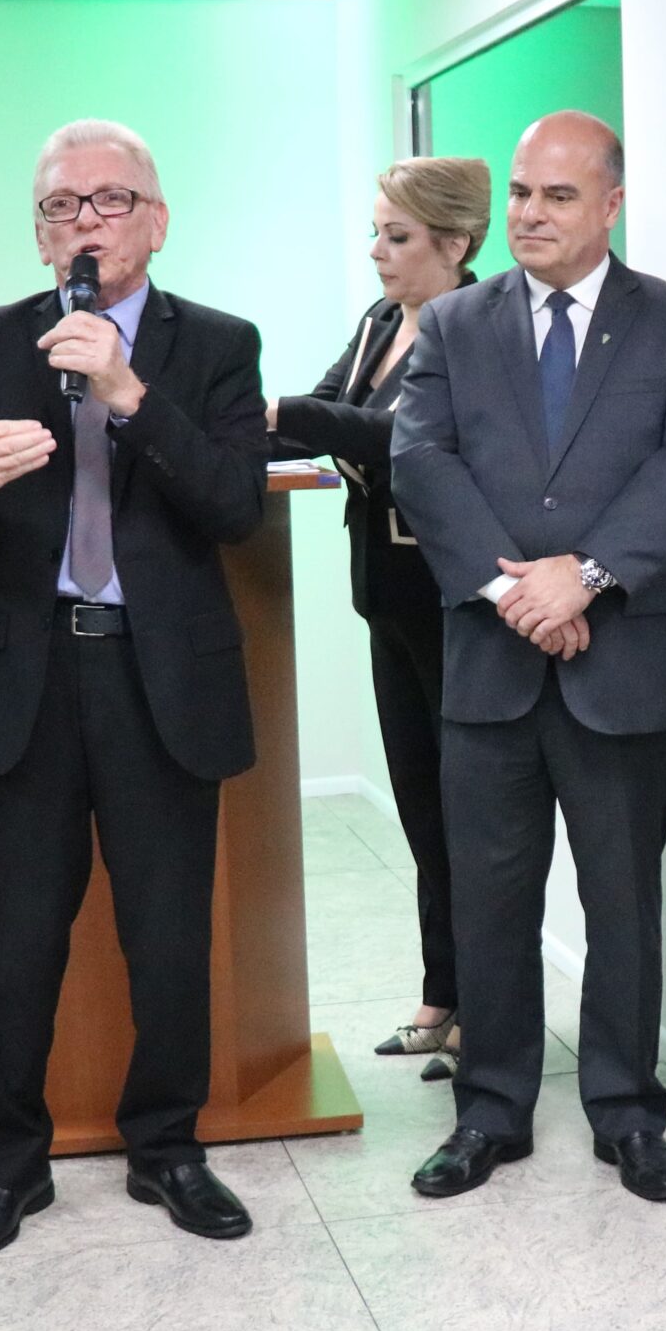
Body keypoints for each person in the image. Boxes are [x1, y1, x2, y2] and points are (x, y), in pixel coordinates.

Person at [0, 120, 266, 1258]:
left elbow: (232, 506)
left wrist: (127, 392)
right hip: (32, 673)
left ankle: (168, 1147)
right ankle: (3, 1166)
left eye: (111, 201)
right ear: (38, 230)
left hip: (161, 673)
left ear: (156, 221)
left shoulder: (215, 344)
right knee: (20, 933)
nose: (86, 223)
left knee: (167, 935)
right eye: (63, 206)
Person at [393, 112, 666, 1204]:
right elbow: (421, 460)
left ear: (611, 204)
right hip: (489, 665)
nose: (530, 215)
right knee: (490, 897)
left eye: (558, 196)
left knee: (621, 899)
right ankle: (489, 1109)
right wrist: (513, 589)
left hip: (621, 663)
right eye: (522, 195)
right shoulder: (450, 322)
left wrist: (581, 575)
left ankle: (627, 1112)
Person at [268, 156, 489, 1072]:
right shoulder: (378, 324)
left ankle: (486, 1007)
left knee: (467, 812)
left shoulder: (475, 331)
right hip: (386, 599)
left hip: (450, 605)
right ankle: (442, 995)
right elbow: (324, 411)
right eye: (376, 234)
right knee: (419, 809)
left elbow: (402, 440)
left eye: (397, 239)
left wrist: (286, 413)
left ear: (455, 243)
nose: (377, 254)